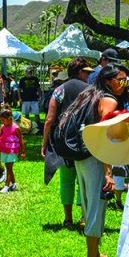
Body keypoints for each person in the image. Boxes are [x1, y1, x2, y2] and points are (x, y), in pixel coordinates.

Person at [71, 64, 127, 257]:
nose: (124, 84)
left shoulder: (90, 94)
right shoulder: (109, 100)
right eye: (120, 80)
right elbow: (105, 134)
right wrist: (108, 172)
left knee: (89, 206)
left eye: (126, 80)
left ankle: (94, 256)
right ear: (107, 81)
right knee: (96, 209)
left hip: (82, 157)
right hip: (96, 159)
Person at [42, 58, 90, 228]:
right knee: (83, 180)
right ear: (80, 72)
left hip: (63, 142)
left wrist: (45, 142)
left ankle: (68, 219)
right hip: (85, 140)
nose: (89, 75)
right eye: (87, 72)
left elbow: (49, 119)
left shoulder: (59, 90)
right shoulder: (90, 90)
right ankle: (84, 216)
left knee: (66, 179)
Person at [0, 106, 25, 192]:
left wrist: (23, 152)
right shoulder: (3, 127)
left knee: (9, 167)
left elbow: (21, 140)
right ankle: (14, 184)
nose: (2, 122)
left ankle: (6, 186)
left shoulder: (16, 128)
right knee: (8, 167)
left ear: (9, 118)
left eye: (3, 120)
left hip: (12, 150)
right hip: (4, 149)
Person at [18, 67, 42, 132]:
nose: (29, 73)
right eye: (28, 72)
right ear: (25, 73)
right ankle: (27, 129)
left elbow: (38, 88)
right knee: (26, 114)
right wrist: (19, 98)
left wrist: (40, 96)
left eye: (30, 72)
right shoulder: (22, 79)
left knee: (36, 114)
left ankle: (38, 128)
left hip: (34, 99)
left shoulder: (35, 79)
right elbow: (19, 89)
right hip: (25, 99)